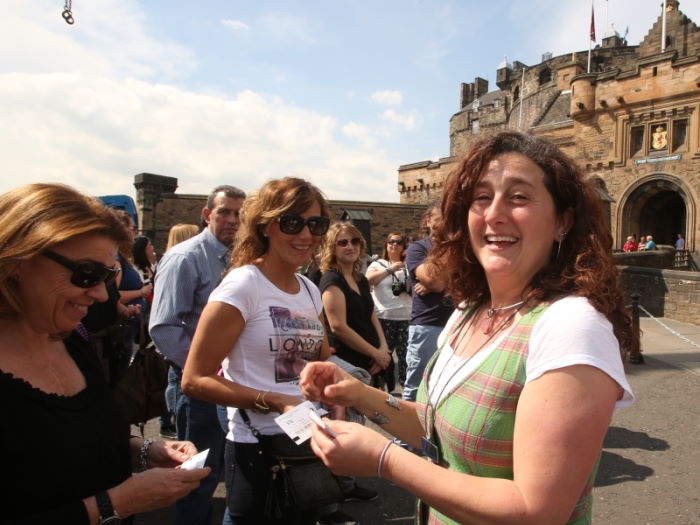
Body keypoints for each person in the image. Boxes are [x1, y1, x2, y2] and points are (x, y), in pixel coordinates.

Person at [300, 131, 636, 525]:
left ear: (562, 220)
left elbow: (537, 511)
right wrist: (360, 395)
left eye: (518, 197)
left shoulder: (571, 326)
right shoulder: (469, 310)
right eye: (481, 197)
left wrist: (384, 459)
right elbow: (438, 427)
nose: (494, 213)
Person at [0, 183, 209, 524]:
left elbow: (78, 438)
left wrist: (146, 450)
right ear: (17, 261)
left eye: (109, 276)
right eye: (87, 275)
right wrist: (114, 504)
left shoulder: (70, 341)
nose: (100, 294)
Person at [181, 177, 334, 525]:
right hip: (256, 445)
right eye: (292, 222)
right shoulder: (243, 285)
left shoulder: (309, 289)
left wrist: (334, 391)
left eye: (316, 224)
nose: (306, 234)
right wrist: (276, 401)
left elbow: (320, 357)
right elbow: (194, 379)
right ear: (265, 225)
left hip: (307, 435)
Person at [150, 184, 246, 525]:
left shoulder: (240, 259)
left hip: (233, 382)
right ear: (207, 214)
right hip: (198, 386)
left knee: (230, 466)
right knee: (198, 474)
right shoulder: (185, 258)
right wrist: (203, 369)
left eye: (239, 213)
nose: (233, 220)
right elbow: (164, 327)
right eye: (224, 212)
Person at [319, 222, 391, 381]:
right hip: (349, 364)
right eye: (343, 243)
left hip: (372, 361)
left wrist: (383, 347)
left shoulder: (360, 279)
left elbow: (371, 314)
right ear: (332, 248)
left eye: (355, 241)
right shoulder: (332, 281)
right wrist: (375, 353)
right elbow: (338, 327)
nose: (350, 246)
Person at [402, 204, 452, 402]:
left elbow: (468, 282)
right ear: (428, 221)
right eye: (439, 217)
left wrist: (440, 285)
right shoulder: (418, 248)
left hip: (456, 324)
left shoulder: (459, 249)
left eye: (448, 217)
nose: (444, 222)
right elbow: (434, 281)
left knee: (446, 386)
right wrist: (443, 283)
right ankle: (404, 423)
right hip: (428, 325)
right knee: (416, 387)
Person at [157, 223, 201, 440]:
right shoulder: (180, 260)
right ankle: (170, 422)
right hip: (189, 360)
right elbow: (164, 325)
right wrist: (198, 365)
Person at [365, 232, 412, 388]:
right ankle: (379, 389)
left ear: (403, 246)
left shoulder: (410, 264)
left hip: (406, 319)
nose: (394, 244)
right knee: (381, 359)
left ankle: (406, 391)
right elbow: (367, 280)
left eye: (399, 242)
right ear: (386, 245)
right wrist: (390, 269)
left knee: (407, 359)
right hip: (384, 318)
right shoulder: (378, 264)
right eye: (391, 241)